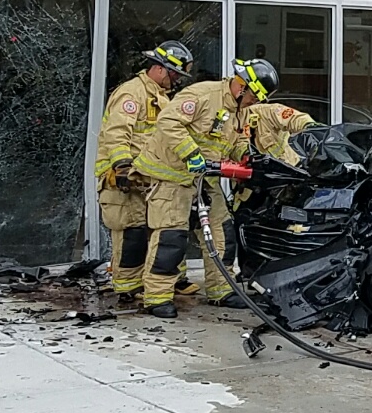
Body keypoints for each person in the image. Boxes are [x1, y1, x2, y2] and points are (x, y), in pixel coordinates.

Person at [132, 58, 279, 317]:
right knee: (171, 238)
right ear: (242, 86)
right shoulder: (203, 95)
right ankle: (156, 297)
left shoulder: (240, 111)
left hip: (204, 179)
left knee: (223, 232)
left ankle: (221, 290)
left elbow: (237, 140)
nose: (256, 102)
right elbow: (168, 122)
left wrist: (248, 158)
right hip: (172, 176)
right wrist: (190, 153)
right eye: (255, 96)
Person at [94, 41, 194, 305]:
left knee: (158, 232)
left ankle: (159, 283)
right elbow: (116, 133)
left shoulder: (161, 98)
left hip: (148, 180)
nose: (176, 81)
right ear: (160, 69)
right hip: (124, 181)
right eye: (174, 74)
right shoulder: (132, 94)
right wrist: (123, 167)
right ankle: (127, 287)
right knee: (132, 234)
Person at [242, 100, 316, 165]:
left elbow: (296, 119)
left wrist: (313, 130)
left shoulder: (268, 111)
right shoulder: (233, 125)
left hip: (292, 168)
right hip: (260, 176)